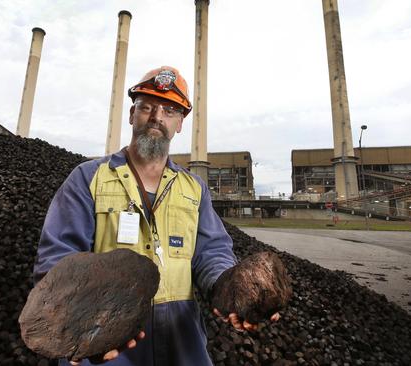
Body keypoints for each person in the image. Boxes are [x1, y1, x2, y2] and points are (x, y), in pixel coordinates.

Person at [33, 66, 276, 366]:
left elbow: (211, 254)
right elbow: (59, 257)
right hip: (107, 331)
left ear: (180, 123)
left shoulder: (193, 188)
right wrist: (76, 322)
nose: (157, 117)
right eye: (146, 106)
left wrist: (231, 293)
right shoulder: (88, 178)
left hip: (181, 339)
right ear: (132, 114)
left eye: (170, 111)